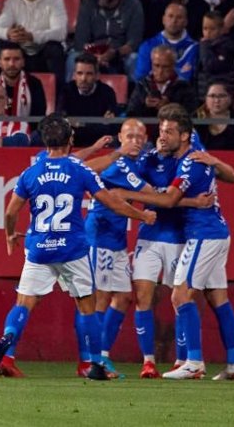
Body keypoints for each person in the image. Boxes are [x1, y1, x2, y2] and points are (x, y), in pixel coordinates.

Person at [0, 113, 156, 379]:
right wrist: (143, 215)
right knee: (86, 305)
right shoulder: (79, 170)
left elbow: (10, 212)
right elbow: (110, 201)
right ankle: (90, 363)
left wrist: (9, 236)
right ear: (70, 139)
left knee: (24, 302)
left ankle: (8, 349)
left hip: (39, 248)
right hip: (72, 249)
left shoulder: (32, 171)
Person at [117, 104, 234, 380]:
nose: (163, 136)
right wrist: (215, 162)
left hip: (203, 234)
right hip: (217, 232)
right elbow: (231, 176)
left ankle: (193, 361)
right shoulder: (193, 154)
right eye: (161, 130)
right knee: (218, 297)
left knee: (179, 294)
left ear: (185, 136)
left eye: (169, 131)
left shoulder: (189, 162)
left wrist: (129, 193)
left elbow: (170, 200)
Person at [84, 118, 149, 378]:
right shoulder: (118, 164)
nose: (134, 140)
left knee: (122, 297)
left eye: (139, 136)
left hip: (117, 239)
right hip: (100, 237)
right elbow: (152, 192)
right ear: (120, 137)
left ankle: (103, 357)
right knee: (101, 297)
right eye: (129, 135)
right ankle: (94, 362)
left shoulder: (138, 163)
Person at [69, 0, 144, 81]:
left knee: (135, 59)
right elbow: (80, 41)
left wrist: (114, 53)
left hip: (120, 54)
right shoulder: (88, 6)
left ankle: (134, 98)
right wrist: (95, 57)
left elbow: (134, 42)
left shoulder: (133, 5)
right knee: (73, 57)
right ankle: (71, 96)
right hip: (91, 55)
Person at [0, 42, 47, 140]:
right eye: (7, 59)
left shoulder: (34, 84)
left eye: (16, 59)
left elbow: (38, 118)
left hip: (26, 137)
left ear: (23, 62)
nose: (12, 64)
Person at [58, 54, 118, 147]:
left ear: (97, 75)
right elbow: (62, 120)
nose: (83, 79)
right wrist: (95, 124)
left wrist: (79, 124)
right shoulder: (66, 90)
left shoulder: (107, 92)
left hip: (99, 142)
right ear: (74, 75)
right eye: (79, 73)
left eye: (89, 74)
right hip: (73, 139)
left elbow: (110, 127)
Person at [126, 45, 199, 117]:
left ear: (173, 65)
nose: (160, 71)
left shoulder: (184, 87)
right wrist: (144, 104)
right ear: (151, 64)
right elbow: (130, 113)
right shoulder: (142, 85)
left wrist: (170, 107)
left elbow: (191, 115)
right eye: (156, 65)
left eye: (165, 67)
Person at [135, 2, 199, 82]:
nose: (174, 21)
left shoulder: (195, 48)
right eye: (170, 16)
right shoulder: (148, 46)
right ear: (163, 20)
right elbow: (141, 79)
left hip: (183, 93)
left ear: (185, 22)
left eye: (179, 17)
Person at [196, 11, 234, 100]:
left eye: (212, 29)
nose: (208, 32)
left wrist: (204, 45)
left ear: (221, 29)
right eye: (205, 28)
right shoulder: (201, 45)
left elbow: (209, 65)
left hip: (221, 94)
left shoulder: (225, 46)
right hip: (203, 93)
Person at [194, 80, 234, 151]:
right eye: (212, 96)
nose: (217, 100)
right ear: (205, 98)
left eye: (221, 96)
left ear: (230, 98)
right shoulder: (194, 120)